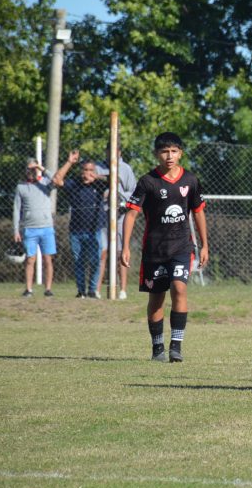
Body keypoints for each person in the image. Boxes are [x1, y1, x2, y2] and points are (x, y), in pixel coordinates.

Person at [121, 133, 209, 363]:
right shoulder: (147, 181)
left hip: (181, 247)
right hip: (154, 251)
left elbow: (199, 212)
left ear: (180, 153)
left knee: (179, 289)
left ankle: (176, 347)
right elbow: (131, 214)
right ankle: (157, 346)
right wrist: (125, 247)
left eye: (174, 151)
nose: (169, 156)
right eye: (164, 151)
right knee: (157, 298)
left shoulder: (190, 180)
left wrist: (204, 245)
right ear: (156, 154)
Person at [52, 150, 108, 298]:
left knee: (95, 260)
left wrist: (97, 177)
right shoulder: (74, 183)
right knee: (79, 261)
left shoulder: (99, 185)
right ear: (81, 170)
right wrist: (69, 162)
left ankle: (92, 290)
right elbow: (57, 180)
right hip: (76, 230)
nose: (88, 173)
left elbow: (115, 181)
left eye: (91, 170)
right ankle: (81, 291)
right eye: (85, 170)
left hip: (95, 230)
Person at [95, 146, 137, 299]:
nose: (113, 153)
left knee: (121, 253)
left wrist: (119, 196)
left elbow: (134, 192)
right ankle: (96, 289)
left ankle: (122, 290)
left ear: (120, 151)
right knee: (101, 253)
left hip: (120, 215)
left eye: (116, 150)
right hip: (101, 216)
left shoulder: (126, 168)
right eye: (110, 150)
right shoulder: (98, 167)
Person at [12, 158, 57, 297]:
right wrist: (16, 230)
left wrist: (40, 167)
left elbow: (56, 179)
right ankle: (29, 289)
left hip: (47, 228)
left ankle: (48, 289)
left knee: (48, 259)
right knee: (30, 259)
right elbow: (17, 209)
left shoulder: (45, 183)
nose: (31, 172)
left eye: (34, 169)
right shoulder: (21, 187)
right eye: (29, 169)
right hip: (30, 229)